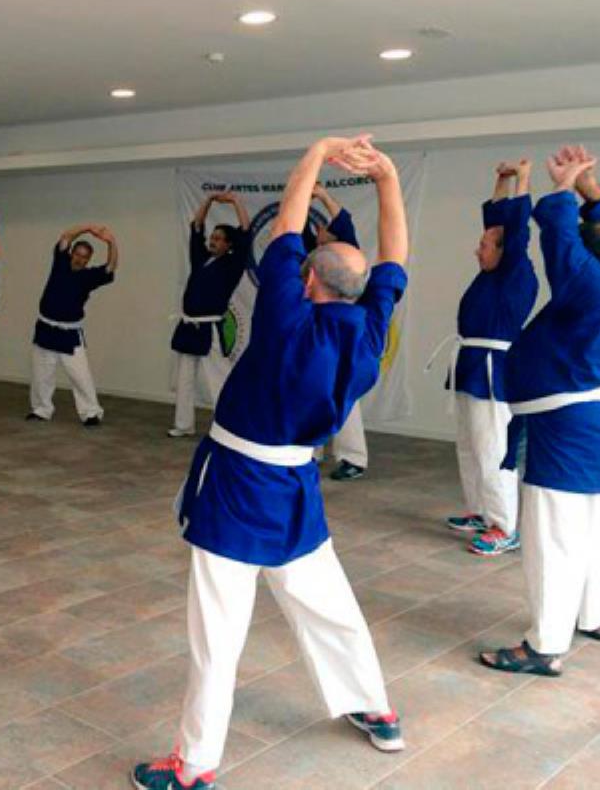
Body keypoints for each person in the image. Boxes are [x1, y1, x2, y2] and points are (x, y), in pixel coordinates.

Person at [133, 135, 410, 790]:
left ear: (308, 281)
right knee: (326, 602)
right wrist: (388, 179)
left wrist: (315, 154)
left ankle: (194, 766)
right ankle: (375, 706)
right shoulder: (370, 330)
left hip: (237, 485)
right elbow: (395, 255)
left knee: (218, 634)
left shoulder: (286, 317)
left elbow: (287, 227)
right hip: (296, 486)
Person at [479, 146, 600, 678]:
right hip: (599, 422)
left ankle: (543, 645)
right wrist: (591, 189)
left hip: (567, 426)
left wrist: (564, 191)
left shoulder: (589, 286)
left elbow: (564, 245)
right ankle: (596, 616)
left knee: (553, 532)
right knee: (594, 523)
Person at [439, 160, 537, 556]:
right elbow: (498, 221)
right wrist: (500, 180)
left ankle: (504, 526)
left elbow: (515, 230)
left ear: (504, 250)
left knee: (493, 448)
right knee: (468, 444)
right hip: (471, 365)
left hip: (494, 371)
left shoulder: (517, 272)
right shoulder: (489, 275)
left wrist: (524, 178)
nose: (476, 249)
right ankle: (480, 511)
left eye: (484, 245)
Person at [169, 191, 253, 437]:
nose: (213, 241)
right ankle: (184, 425)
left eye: (218, 238)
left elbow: (246, 233)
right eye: (212, 237)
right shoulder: (201, 258)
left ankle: (230, 426)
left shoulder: (233, 264)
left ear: (229, 245)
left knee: (219, 378)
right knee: (184, 379)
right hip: (188, 325)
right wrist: (207, 202)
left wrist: (237, 202)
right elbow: (197, 226)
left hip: (209, 328)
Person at [306, 184, 372, 482]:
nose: (321, 230)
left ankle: (353, 457)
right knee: (313, 391)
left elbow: (344, 222)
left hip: (343, 334)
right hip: (316, 331)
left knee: (344, 393)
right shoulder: (314, 258)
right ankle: (311, 449)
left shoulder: (347, 253)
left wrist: (323, 196)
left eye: (327, 229)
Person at [27, 223, 119, 426]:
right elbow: (66, 236)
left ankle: (91, 412)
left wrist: (111, 241)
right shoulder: (60, 262)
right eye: (77, 254)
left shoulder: (89, 276)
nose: (79, 258)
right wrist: (88, 228)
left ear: (88, 260)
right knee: (42, 373)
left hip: (69, 332)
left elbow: (111, 266)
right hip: (46, 327)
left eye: (84, 257)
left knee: (81, 375)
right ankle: (41, 409)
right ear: (72, 254)